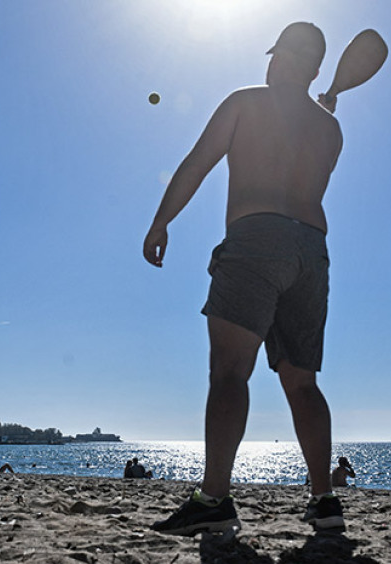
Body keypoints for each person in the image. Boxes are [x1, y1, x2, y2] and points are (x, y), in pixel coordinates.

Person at [143, 22, 346, 535]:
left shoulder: (244, 101)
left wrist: (161, 219)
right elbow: (307, 165)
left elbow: (197, 163)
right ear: (318, 68)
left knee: (231, 372)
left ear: (278, 56)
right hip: (311, 251)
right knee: (302, 382)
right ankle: (323, 500)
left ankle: (214, 498)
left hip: (257, 240)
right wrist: (319, 111)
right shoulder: (331, 128)